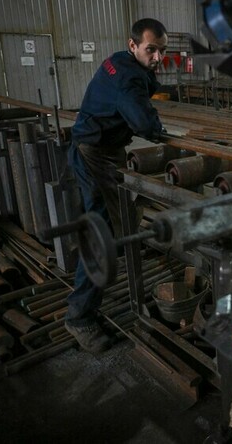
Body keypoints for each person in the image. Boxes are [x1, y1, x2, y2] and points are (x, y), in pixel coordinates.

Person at [64, 18, 168, 352]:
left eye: (162, 51)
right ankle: (79, 316)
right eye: (150, 50)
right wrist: (158, 129)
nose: (157, 57)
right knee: (101, 233)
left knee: (123, 214)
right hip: (94, 153)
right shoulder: (128, 76)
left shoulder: (119, 62)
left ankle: (124, 251)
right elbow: (140, 119)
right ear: (133, 44)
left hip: (105, 147)